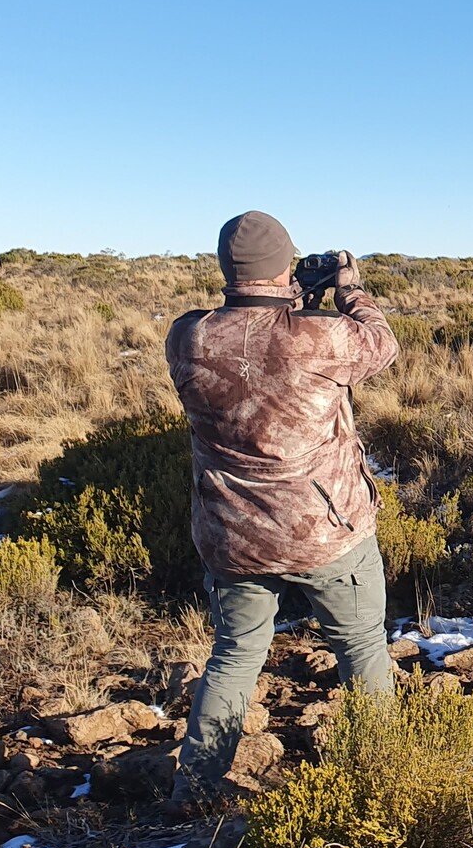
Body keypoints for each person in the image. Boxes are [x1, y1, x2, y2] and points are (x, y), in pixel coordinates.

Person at [164, 211, 400, 812]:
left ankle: (193, 790)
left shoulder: (187, 336)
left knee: (236, 654)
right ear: (287, 265)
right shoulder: (317, 336)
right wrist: (348, 290)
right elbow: (380, 345)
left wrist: (286, 298)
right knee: (362, 647)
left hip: (233, 535)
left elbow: (250, 342)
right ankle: (386, 781)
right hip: (327, 532)